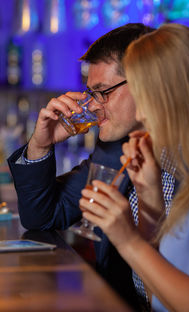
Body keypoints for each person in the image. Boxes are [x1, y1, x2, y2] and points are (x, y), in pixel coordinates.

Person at [79, 23, 189, 312]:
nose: (142, 115)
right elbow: (157, 293)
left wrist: (128, 240)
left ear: (177, 95)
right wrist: (150, 200)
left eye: (146, 100)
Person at [7, 23, 176, 311]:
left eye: (103, 91)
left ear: (147, 84)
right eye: (91, 92)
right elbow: (42, 217)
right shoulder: (113, 149)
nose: (94, 106)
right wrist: (41, 144)